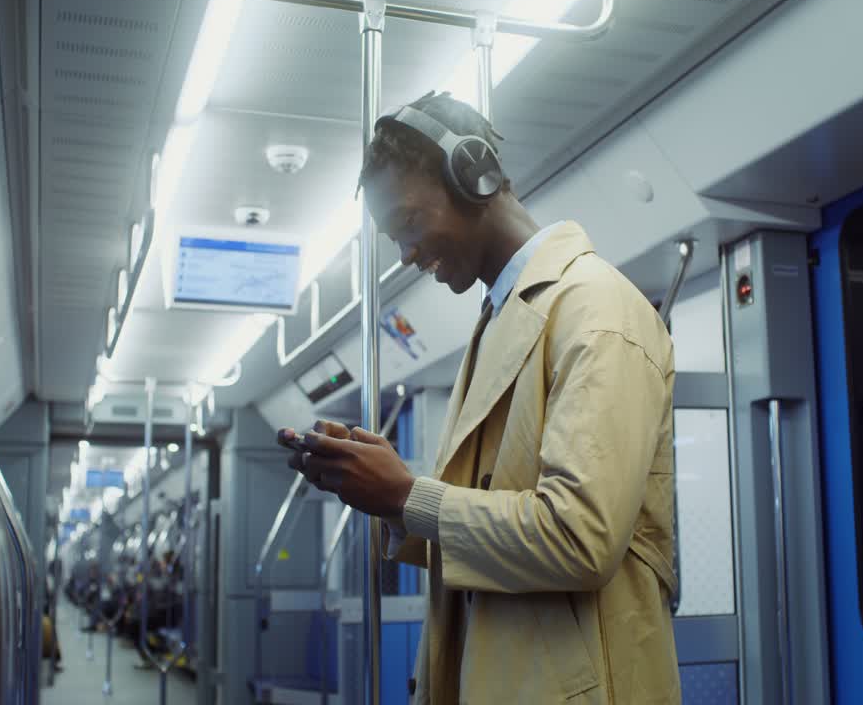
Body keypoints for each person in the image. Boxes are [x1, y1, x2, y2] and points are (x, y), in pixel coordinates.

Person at [282, 91, 679, 703]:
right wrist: (384, 493)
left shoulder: (597, 311)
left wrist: (408, 494)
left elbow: (579, 538)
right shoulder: (497, 321)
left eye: (409, 224)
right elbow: (487, 507)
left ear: (477, 177)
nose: (408, 254)